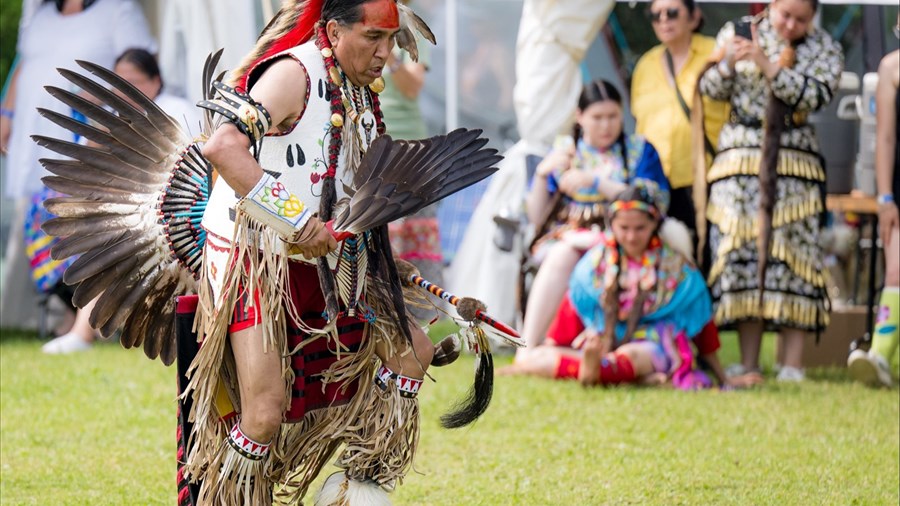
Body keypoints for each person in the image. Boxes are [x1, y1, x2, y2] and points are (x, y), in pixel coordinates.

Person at [186, 1, 483, 503]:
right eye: (372, 37)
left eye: (391, 39)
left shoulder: (360, 93)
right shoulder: (292, 75)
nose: (385, 52)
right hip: (253, 255)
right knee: (263, 413)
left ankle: (354, 489)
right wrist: (297, 221)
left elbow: (344, 189)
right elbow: (223, 148)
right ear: (332, 30)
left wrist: (384, 260)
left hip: (329, 259)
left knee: (414, 351)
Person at [697, 0, 843, 382]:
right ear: (771, 5)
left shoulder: (823, 46)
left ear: (813, 17)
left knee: (793, 257)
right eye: (785, 15)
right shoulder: (739, 30)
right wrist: (728, 61)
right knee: (742, 255)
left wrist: (766, 65)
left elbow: (816, 95)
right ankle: (748, 362)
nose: (791, 24)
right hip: (739, 161)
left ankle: (791, 364)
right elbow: (709, 88)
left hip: (794, 162)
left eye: (801, 18)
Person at [0, 0, 156, 331]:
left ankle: (89, 321)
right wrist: (6, 113)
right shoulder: (38, 13)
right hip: (33, 129)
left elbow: (137, 69)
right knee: (40, 219)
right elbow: (24, 63)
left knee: (78, 221)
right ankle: (65, 314)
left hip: (83, 136)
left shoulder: (118, 10)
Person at [40, 47, 198, 354]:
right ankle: (85, 328)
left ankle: (84, 331)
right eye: (119, 84)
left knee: (116, 241)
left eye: (135, 82)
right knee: (102, 237)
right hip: (140, 211)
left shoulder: (174, 109)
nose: (126, 91)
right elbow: (85, 163)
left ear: (155, 81)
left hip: (179, 217)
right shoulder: (115, 116)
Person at [503, 186, 730, 389]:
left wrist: (724, 378)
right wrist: (550, 348)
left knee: (632, 355)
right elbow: (570, 312)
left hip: (651, 344)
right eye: (624, 228)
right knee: (540, 355)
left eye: (640, 228)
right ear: (612, 224)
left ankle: (597, 370)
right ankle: (616, 373)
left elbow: (702, 320)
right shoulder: (596, 264)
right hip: (602, 340)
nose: (631, 237)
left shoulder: (677, 268)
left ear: (654, 224)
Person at [516, 80, 670, 359]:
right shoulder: (566, 151)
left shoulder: (639, 149)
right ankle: (528, 345)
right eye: (597, 118)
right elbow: (536, 218)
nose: (605, 125)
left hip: (627, 233)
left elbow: (654, 200)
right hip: (569, 232)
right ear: (580, 117)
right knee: (561, 254)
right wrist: (541, 174)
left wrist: (596, 182)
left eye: (612, 116)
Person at [630, 0, 728, 243]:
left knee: (708, 260)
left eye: (672, 13)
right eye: (655, 15)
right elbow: (639, 125)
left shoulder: (715, 53)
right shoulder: (645, 65)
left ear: (693, 17)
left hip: (709, 180)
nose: (663, 19)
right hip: (658, 184)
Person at [380, 5, 444, 318]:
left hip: (410, 144)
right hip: (371, 140)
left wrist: (388, 51)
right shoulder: (354, 21)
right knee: (382, 227)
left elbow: (412, 88)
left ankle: (424, 312)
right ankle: (383, 306)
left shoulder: (409, 29)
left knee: (414, 229)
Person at [847, 21, 900, 387]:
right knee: (895, 271)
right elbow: (884, 137)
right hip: (898, 188)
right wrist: (884, 197)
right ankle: (879, 356)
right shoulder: (890, 67)